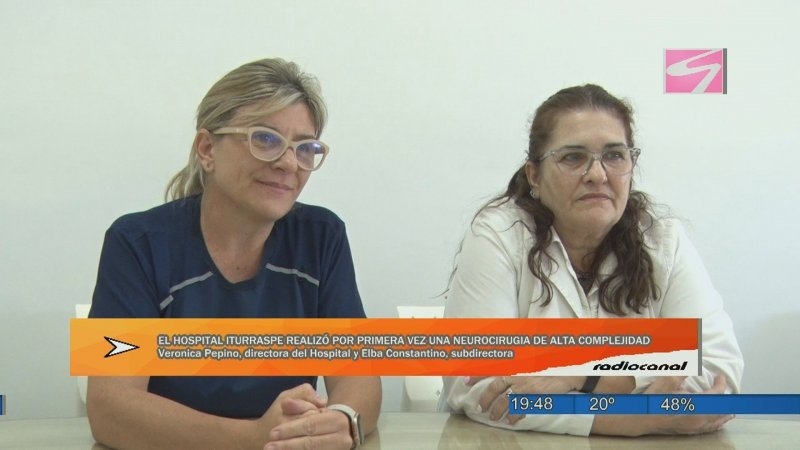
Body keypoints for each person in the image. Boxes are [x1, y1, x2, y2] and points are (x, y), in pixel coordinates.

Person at [87, 58, 381, 450]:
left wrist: (342, 420)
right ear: (207, 149)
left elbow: (360, 378)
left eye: (305, 148)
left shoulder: (322, 237)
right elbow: (109, 408)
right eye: (265, 139)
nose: (288, 163)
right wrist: (251, 438)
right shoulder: (137, 243)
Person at [441, 84, 743, 436]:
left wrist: (580, 375)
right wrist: (631, 417)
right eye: (573, 157)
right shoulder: (499, 235)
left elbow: (718, 375)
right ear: (534, 175)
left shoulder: (664, 241)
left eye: (614, 155)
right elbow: (478, 386)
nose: (598, 174)